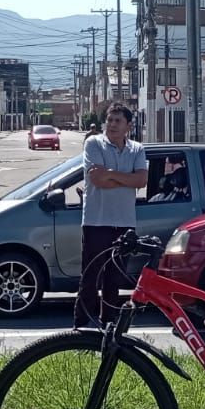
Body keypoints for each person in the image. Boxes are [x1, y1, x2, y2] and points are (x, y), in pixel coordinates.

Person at [74, 102, 147, 329]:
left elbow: (141, 180)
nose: (112, 124)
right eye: (110, 120)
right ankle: (81, 325)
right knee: (90, 277)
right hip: (96, 221)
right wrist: (126, 177)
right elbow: (96, 180)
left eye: (118, 121)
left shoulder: (137, 149)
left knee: (114, 279)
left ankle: (109, 325)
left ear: (128, 126)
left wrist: (111, 175)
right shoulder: (94, 143)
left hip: (125, 223)